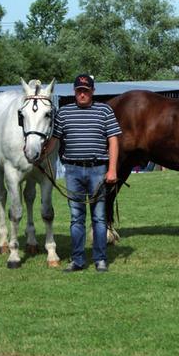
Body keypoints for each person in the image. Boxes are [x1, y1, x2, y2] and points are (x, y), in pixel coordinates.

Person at [51, 73, 121, 273]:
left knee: (99, 217)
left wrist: (112, 169)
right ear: (74, 91)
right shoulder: (63, 113)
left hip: (98, 170)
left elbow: (113, 140)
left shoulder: (104, 110)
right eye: (79, 91)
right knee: (76, 218)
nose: (82, 94)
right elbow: (54, 142)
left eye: (86, 91)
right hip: (72, 171)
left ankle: (100, 259)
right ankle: (77, 260)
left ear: (92, 91)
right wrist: (38, 156)